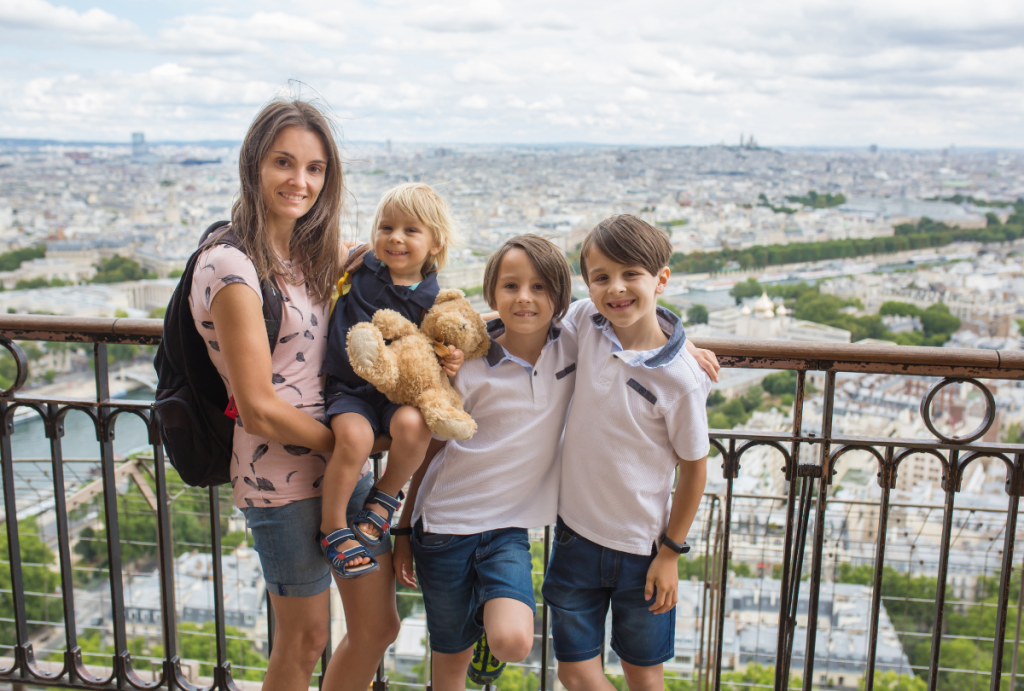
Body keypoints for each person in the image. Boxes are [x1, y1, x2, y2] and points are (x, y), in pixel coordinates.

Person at [391, 234, 719, 691]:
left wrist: (685, 348)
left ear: (562, 298)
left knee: (513, 641)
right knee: (448, 662)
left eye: (541, 287)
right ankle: (480, 624)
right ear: (492, 293)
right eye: (510, 287)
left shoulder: (575, 335)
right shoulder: (466, 362)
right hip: (445, 524)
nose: (525, 298)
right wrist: (404, 528)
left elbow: (637, 324)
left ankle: (489, 623)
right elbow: (431, 451)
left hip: (510, 527)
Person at [191, 99, 396, 691]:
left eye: (315, 168)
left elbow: (415, 291)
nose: (300, 181)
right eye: (284, 162)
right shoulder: (230, 265)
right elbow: (257, 405)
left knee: (377, 625)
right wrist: (353, 444)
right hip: (278, 475)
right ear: (254, 165)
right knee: (303, 639)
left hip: (339, 460)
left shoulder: (311, 254)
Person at [542, 215, 711, 691]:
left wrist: (672, 553)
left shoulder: (680, 379)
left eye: (630, 274)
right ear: (588, 285)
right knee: (575, 674)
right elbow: (524, 317)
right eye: (601, 277)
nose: (615, 288)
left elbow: (696, 472)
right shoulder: (586, 322)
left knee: (643, 678)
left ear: (661, 279)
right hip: (576, 536)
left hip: (644, 550)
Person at [318, 183, 464, 578]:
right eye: (386, 228)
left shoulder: (434, 299)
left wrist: (452, 356)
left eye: (410, 231)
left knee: (414, 424)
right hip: (349, 387)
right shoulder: (361, 265)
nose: (395, 238)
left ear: (436, 243)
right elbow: (321, 248)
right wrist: (352, 250)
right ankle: (331, 525)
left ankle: (386, 494)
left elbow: (441, 341)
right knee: (355, 438)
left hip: (397, 393)